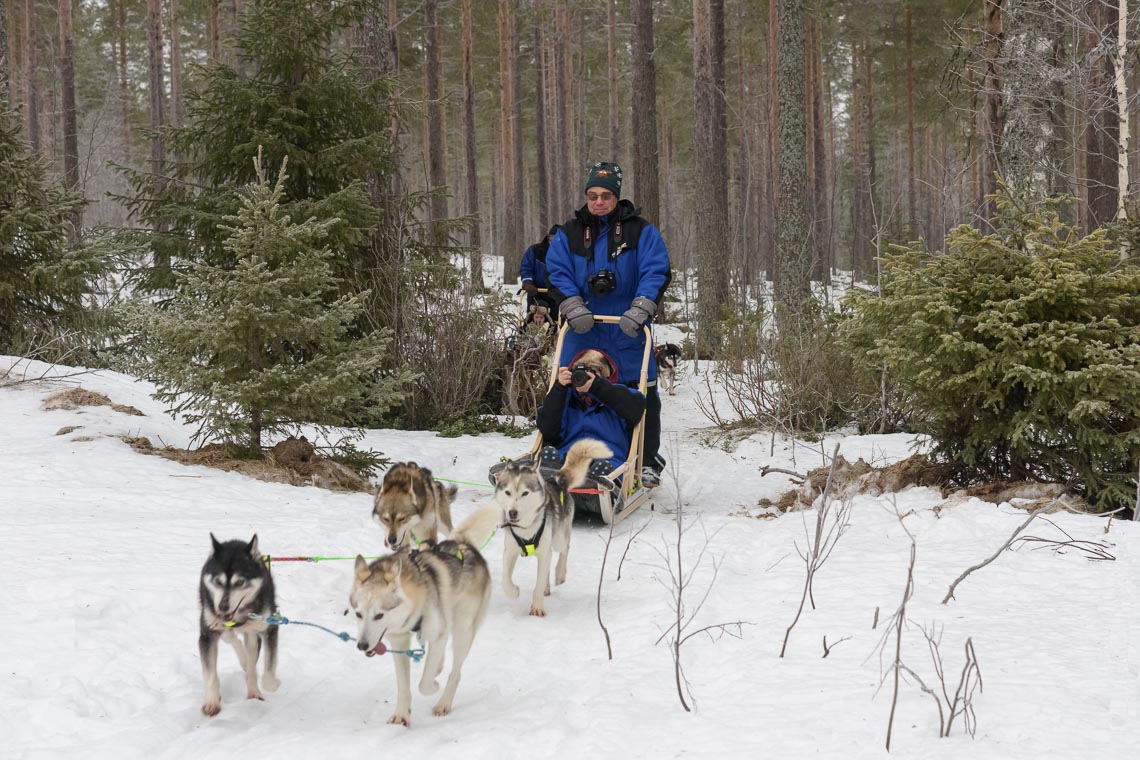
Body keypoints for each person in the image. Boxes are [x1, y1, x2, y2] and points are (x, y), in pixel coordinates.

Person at [545, 161, 670, 486]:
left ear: (616, 196)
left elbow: (655, 270)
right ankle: (555, 451)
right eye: (592, 195)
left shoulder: (640, 231)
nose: (598, 201)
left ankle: (644, 458)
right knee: (568, 386)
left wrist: (640, 308)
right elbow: (557, 271)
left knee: (641, 391)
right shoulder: (568, 234)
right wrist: (572, 305)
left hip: (627, 325)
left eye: (605, 195)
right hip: (583, 326)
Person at [535, 349, 645, 477]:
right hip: (568, 455)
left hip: (606, 457)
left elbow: (637, 408)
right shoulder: (566, 399)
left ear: (604, 377)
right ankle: (549, 472)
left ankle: (596, 481)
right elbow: (548, 429)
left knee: (603, 469)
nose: (584, 378)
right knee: (558, 460)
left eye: (592, 374)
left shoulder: (617, 397)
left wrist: (598, 387)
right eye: (580, 374)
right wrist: (559, 389)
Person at [520, 225, 560, 314]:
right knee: (533, 320)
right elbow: (526, 267)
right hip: (535, 292)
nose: (553, 242)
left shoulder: (567, 254)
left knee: (556, 322)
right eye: (551, 238)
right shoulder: (535, 250)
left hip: (557, 294)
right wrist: (527, 282)